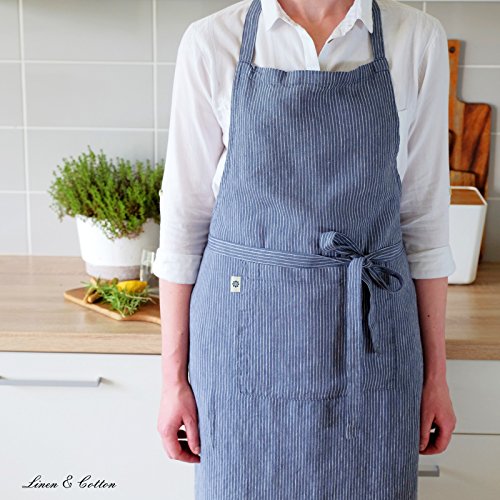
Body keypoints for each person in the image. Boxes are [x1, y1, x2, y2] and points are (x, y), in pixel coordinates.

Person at [155, 0, 457, 497]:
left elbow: (424, 222)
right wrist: (172, 381)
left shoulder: (417, 38)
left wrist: (437, 376)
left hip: (373, 350)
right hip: (244, 351)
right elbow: (183, 226)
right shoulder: (212, 41)